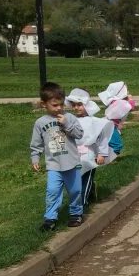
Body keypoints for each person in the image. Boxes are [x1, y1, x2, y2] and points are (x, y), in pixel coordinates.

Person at [30, 82, 84, 231]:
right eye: (54, 105)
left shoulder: (70, 117)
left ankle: (76, 213)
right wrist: (35, 158)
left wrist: (67, 124)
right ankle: (50, 218)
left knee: (75, 191)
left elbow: (79, 134)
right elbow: (36, 143)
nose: (59, 108)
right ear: (44, 104)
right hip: (53, 165)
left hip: (71, 163)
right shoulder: (40, 123)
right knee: (52, 191)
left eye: (61, 104)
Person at [65, 88, 113, 209]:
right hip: (74, 155)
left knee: (86, 178)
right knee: (75, 179)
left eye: (80, 104)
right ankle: (88, 193)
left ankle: (82, 203)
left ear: (86, 104)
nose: (76, 108)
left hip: (89, 155)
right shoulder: (71, 120)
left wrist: (102, 153)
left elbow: (101, 138)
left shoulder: (94, 121)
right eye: (74, 105)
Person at [98, 81, 133, 156]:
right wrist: (130, 100)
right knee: (117, 144)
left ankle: (106, 156)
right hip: (110, 125)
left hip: (109, 124)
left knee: (110, 141)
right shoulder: (119, 102)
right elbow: (130, 107)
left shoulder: (113, 100)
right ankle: (111, 158)